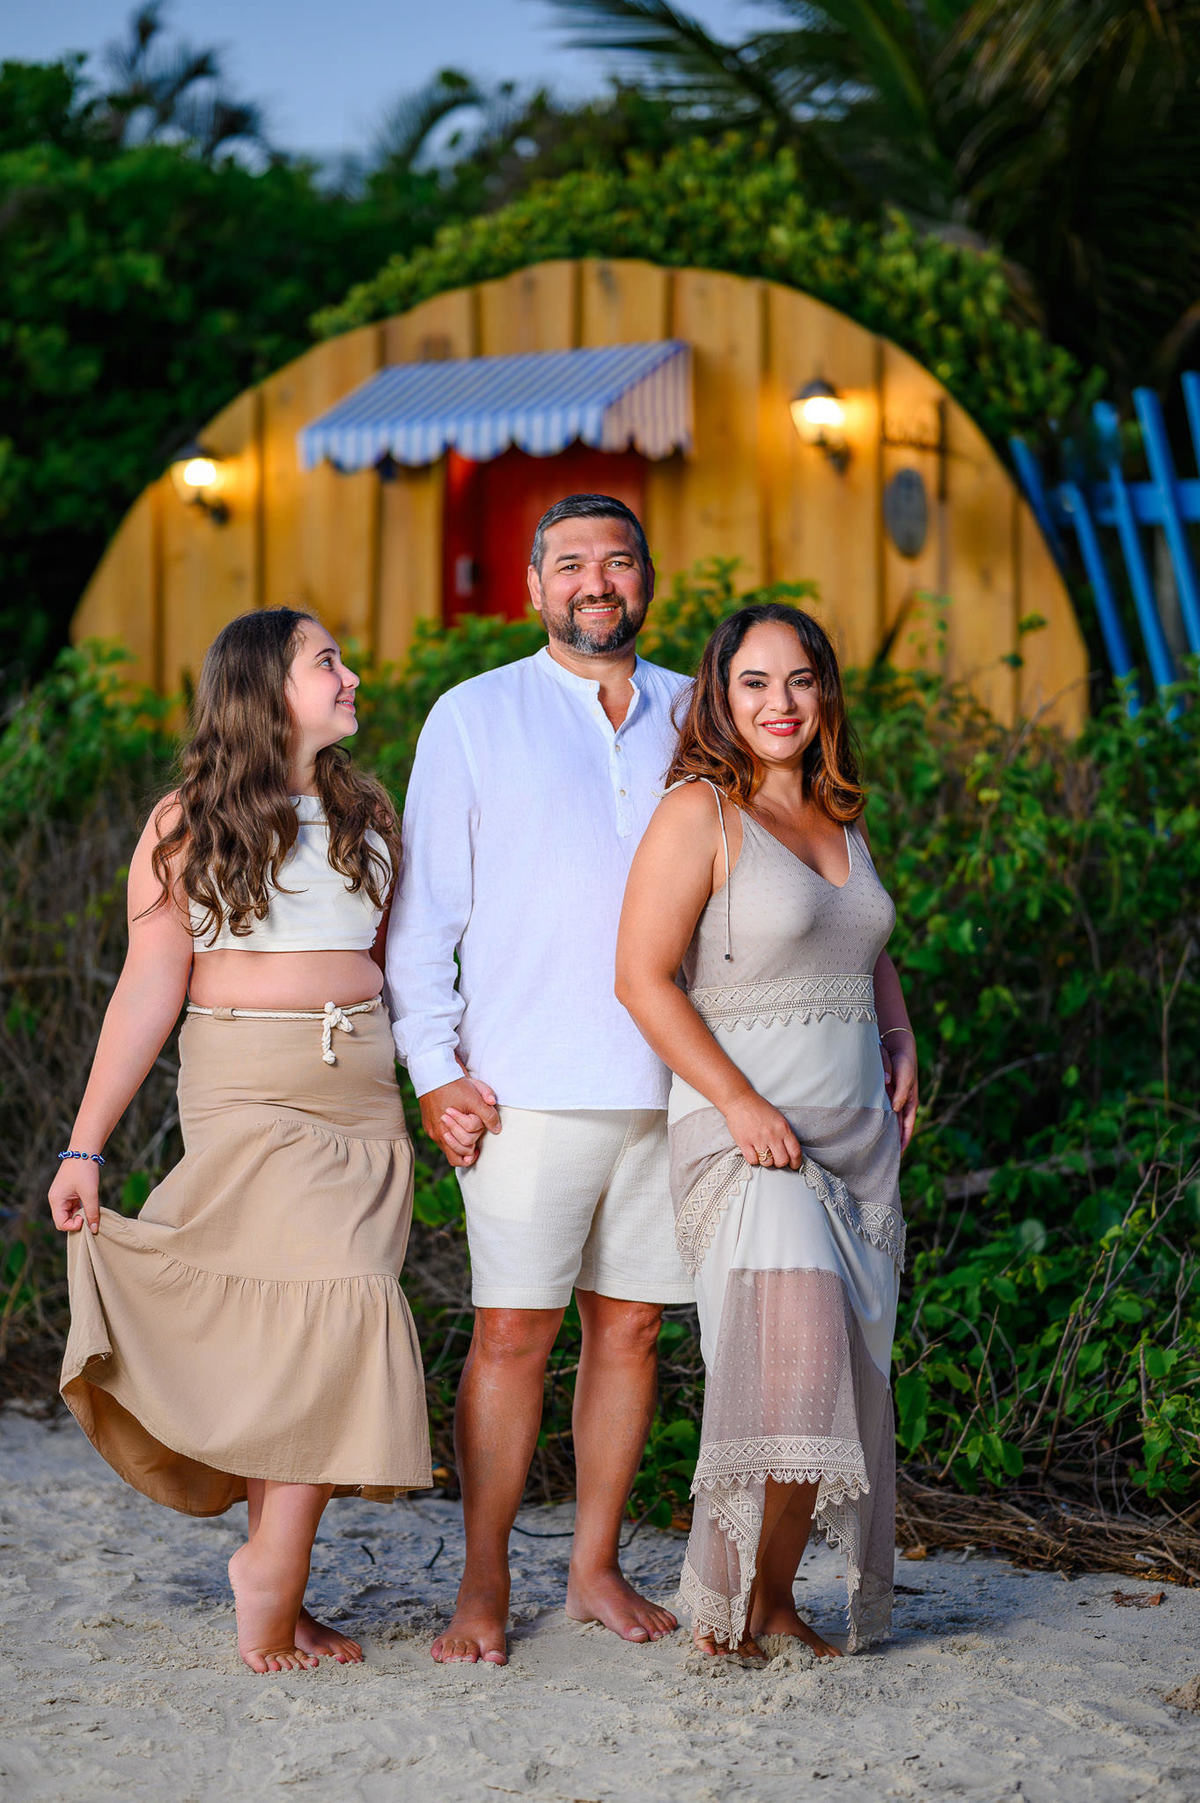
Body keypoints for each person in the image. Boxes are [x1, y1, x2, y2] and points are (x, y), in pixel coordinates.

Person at [48, 608, 431, 1676]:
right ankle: (268, 1578)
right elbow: (145, 992)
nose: (351, 675)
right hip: (246, 1089)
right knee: (332, 1308)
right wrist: (85, 1147)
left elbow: (404, 961)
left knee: (301, 1328)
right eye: (327, 663)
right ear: (266, 691)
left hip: (360, 1093)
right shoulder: (186, 822)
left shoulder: (369, 810)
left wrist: (449, 1075)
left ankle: (280, 1567)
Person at [387, 493, 694, 1666]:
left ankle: (595, 1569)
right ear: (533, 588)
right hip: (522, 1088)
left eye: (618, 561)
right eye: (572, 564)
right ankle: (481, 1586)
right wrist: (434, 1070)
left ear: (646, 580)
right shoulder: (474, 716)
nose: (597, 582)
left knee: (632, 1337)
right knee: (513, 1337)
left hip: (675, 1091)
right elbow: (424, 917)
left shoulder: (698, 710)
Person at [615, 602, 917, 1659]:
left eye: (798, 681)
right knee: (790, 1359)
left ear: (824, 692)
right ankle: (722, 1602)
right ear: (719, 695)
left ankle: (774, 1602)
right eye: (754, 682)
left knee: (835, 1374)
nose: (778, 703)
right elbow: (641, 981)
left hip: (856, 1137)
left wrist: (900, 1030)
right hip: (747, 1139)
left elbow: (863, 938)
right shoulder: (701, 811)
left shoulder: (841, 815)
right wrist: (740, 1105)